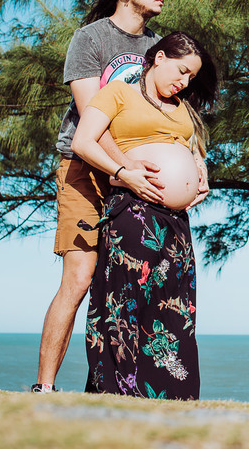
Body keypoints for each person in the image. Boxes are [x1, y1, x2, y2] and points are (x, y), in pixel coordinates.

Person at [33, 0, 178, 393]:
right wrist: (123, 169)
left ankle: (117, 387)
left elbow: (168, 113)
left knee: (129, 283)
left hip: (135, 176)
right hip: (85, 169)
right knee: (78, 279)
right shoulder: (90, 39)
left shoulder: (158, 50)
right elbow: (88, 117)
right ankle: (44, 390)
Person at [71, 31, 218, 400]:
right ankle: (122, 392)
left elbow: (188, 146)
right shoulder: (118, 93)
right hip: (134, 209)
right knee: (127, 303)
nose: (184, 82)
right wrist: (124, 174)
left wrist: (200, 173)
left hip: (174, 221)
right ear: (159, 58)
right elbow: (83, 142)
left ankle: (173, 396)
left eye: (191, 78)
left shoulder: (182, 106)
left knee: (175, 306)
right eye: (181, 71)